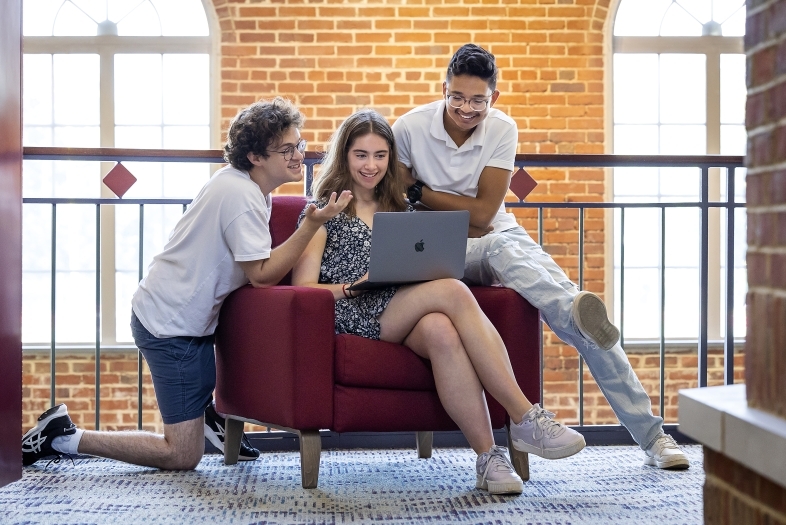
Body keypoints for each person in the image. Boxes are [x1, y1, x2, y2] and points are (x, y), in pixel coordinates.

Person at [391, 43, 689, 470]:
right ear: (444, 90)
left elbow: (483, 216)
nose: (466, 108)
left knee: (571, 310)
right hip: (439, 249)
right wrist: (442, 205)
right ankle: (571, 310)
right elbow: (440, 211)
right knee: (514, 257)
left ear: (493, 97)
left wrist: (422, 192)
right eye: (456, 97)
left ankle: (654, 437)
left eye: (477, 100)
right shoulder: (409, 128)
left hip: (498, 241)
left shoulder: (501, 128)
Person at [21, 97, 352, 470]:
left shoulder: (244, 186)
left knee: (189, 432)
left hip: (186, 321)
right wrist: (311, 224)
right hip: (169, 326)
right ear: (256, 157)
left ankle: (206, 416)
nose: (298, 156)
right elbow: (261, 276)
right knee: (181, 455)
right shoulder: (241, 196)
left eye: (300, 145)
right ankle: (62, 436)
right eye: (287, 149)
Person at [291, 109, 586, 496]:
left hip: (404, 306)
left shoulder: (404, 209)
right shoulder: (323, 211)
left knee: (441, 331)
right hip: (353, 310)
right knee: (452, 290)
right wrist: (351, 287)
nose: (371, 165)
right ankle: (525, 415)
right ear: (344, 155)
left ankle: (488, 459)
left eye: (381, 155)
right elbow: (303, 288)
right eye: (361, 154)